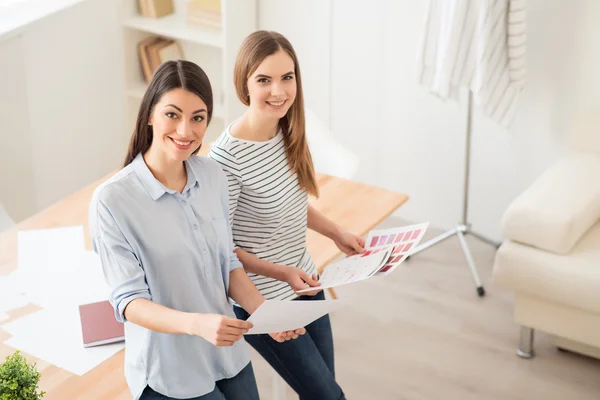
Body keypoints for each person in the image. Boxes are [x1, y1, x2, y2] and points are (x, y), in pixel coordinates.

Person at [89, 60, 304, 400]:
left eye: (198, 117)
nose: (186, 131)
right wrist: (197, 324)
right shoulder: (112, 201)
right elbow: (129, 302)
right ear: (149, 115)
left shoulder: (213, 176)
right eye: (172, 115)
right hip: (169, 372)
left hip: (227, 354)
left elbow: (227, 263)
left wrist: (265, 315)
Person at [208, 31, 366, 400]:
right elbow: (222, 250)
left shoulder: (288, 130)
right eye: (264, 79)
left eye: (287, 77)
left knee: (324, 390)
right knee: (329, 396)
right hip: (263, 300)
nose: (278, 91)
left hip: (306, 280)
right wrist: (281, 273)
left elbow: (290, 204)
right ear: (244, 83)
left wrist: (335, 232)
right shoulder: (226, 160)